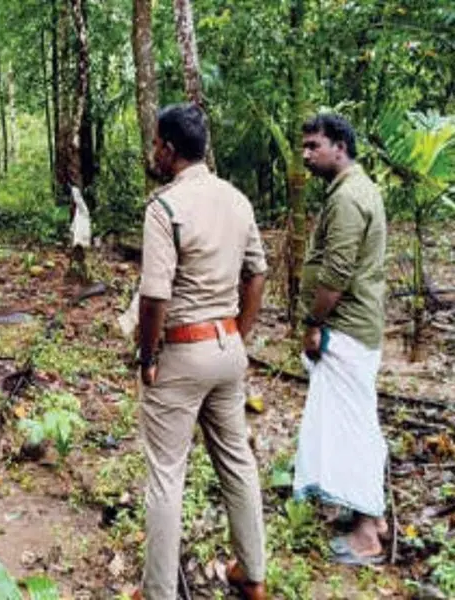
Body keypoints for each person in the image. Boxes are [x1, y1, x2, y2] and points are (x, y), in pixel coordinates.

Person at [135, 104, 267, 600]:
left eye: (155, 144)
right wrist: (239, 333)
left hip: (182, 353)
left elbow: (155, 296)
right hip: (227, 349)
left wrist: (148, 357)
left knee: (167, 476)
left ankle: (158, 591)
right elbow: (258, 271)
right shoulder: (237, 200)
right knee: (237, 461)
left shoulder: (164, 208)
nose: (154, 151)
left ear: (169, 149)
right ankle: (252, 575)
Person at [293, 113, 388, 565]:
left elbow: (336, 273)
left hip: (346, 327)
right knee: (356, 422)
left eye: (314, 146)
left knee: (353, 430)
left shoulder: (349, 198)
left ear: (340, 146)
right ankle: (370, 514)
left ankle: (368, 532)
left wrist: (314, 322)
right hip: (355, 326)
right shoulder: (354, 190)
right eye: (305, 147)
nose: (307, 155)